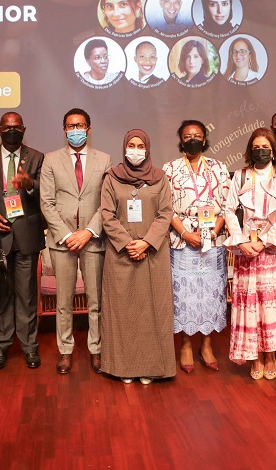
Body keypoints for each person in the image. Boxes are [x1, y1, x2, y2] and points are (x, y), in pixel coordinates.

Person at [100, 129, 176, 384]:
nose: (135, 150)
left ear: (147, 149)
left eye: (140, 145)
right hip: (120, 255)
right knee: (123, 313)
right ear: (124, 148)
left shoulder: (160, 178)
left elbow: (165, 213)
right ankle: (123, 368)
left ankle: (151, 368)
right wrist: (127, 243)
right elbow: (107, 214)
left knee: (153, 312)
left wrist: (146, 242)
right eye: (131, 145)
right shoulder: (112, 178)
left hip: (153, 254)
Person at [39, 109, 112, 375]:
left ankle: (96, 349)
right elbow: (46, 202)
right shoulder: (50, 160)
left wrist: (89, 231)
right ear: (64, 130)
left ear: (89, 129)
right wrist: (68, 235)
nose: (75, 130)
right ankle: (66, 351)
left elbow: (107, 202)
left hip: (93, 240)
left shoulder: (104, 159)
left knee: (96, 301)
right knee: (64, 301)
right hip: (62, 242)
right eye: (70, 126)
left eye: (80, 125)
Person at [0, 112, 45, 370]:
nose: (12, 131)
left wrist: (30, 184)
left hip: (27, 235)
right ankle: (1, 345)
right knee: (1, 295)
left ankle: (29, 347)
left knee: (27, 295)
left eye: (16, 127)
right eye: (7, 128)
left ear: (23, 129)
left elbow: (46, 191)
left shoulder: (37, 157)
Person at [224, 128, 276, 380]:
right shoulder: (241, 175)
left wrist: (263, 242)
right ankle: (254, 357)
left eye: (265, 147)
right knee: (250, 305)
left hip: (272, 250)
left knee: (270, 305)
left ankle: (270, 355)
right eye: (256, 147)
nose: (260, 151)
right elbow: (229, 210)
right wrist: (241, 240)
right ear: (250, 150)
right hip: (246, 251)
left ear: (273, 150)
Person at [162, 120, 231, 373]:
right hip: (181, 239)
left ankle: (207, 344)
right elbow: (166, 207)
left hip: (213, 238)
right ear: (181, 140)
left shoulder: (219, 167)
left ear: (204, 139)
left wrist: (212, 232)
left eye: (197, 135)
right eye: (187, 136)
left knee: (211, 292)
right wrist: (185, 233)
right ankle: (186, 344)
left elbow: (227, 206)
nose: (193, 139)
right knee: (184, 294)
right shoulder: (170, 168)